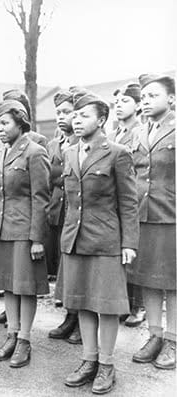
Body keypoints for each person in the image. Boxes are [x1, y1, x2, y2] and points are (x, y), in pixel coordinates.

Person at [61, 93, 139, 394]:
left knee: (106, 306)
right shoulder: (70, 152)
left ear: (102, 120)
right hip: (75, 238)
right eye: (75, 115)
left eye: (84, 115)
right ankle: (88, 360)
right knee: (81, 301)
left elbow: (129, 202)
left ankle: (107, 366)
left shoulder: (117, 153)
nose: (76, 120)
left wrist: (129, 242)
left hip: (107, 239)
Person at [0, 99, 50, 367]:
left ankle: (24, 340)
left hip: (24, 230)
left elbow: (41, 199)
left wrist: (37, 239)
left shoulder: (35, 152)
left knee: (25, 287)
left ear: (20, 123)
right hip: (1, 228)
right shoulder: (0, 152)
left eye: (4, 123)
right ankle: (11, 334)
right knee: (8, 285)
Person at [129, 74, 176, 370]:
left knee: (173, 281)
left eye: (153, 96)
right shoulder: (138, 132)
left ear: (171, 99)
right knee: (146, 277)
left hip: (171, 215)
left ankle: (173, 339)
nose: (146, 101)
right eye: (143, 97)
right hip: (142, 215)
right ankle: (155, 335)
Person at [109, 82, 146, 328]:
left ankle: (139, 304)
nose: (119, 106)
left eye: (125, 101)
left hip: (138, 198)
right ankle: (125, 301)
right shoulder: (113, 136)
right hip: (116, 200)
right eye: (117, 102)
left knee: (137, 252)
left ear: (139, 105)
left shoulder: (141, 132)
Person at [46, 90, 82, 345]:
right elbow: (50, 177)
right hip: (60, 211)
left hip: (79, 212)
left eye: (67, 112)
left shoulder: (83, 143)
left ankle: (82, 320)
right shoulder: (54, 144)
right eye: (58, 112)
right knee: (65, 266)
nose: (62, 116)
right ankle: (70, 315)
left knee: (80, 267)